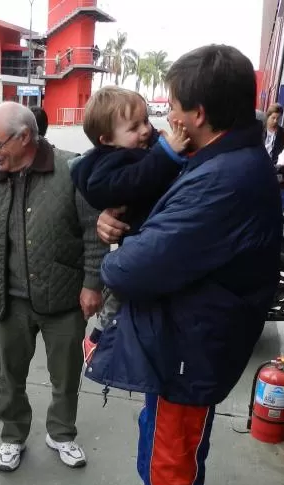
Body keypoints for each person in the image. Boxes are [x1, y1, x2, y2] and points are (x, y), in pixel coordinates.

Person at [87, 45, 282, 485]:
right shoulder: (217, 158)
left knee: (174, 449)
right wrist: (119, 222)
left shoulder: (227, 176)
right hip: (181, 335)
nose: (165, 118)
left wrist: (117, 248)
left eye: (171, 106)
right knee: (159, 440)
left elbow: (136, 268)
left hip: (193, 343)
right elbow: (156, 223)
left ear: (197, 113)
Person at [0, 102, 105, 473]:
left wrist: (93, 284)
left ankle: (61, 433)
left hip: (63, 298)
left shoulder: (71, 169)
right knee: (10, 375)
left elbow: (95, 233)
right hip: (9, 300)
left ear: (25, 137)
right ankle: (12, 436)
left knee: (65, 374)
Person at [71, 87, 189, 360]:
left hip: (146, 243)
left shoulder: (137, 149)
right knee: (120, 293)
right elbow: (131, 180)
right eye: (134, 127)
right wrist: (167, 154)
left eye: (146, 120)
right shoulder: (113, 161)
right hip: (136, 244)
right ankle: (101, 338)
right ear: (106, 139)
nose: (146, 130)